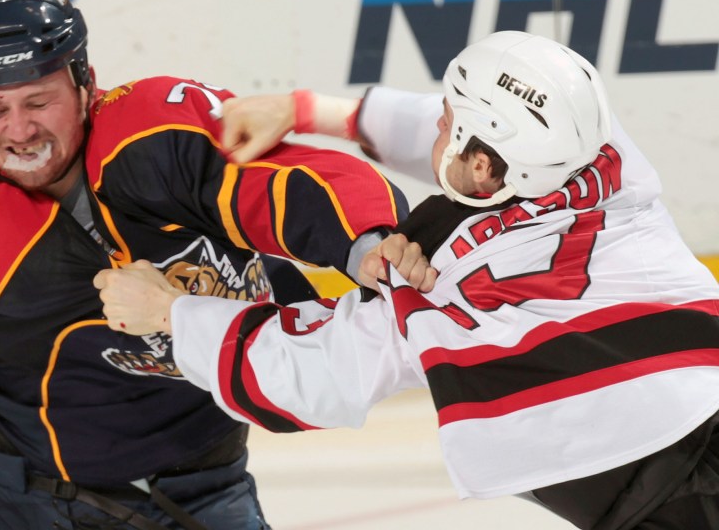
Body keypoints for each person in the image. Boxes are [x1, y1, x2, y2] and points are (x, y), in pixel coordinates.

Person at [0, 0, 409, 530]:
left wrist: (371, 243)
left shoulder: (161, 135)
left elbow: (299, 184)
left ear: (85, 83)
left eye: (38, 100)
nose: (18, 130)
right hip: (9, 504)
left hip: (200, 487)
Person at [94, 31, 719, 529]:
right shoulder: (608, 158)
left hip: (674, 500)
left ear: (480, 162)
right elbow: (477, 139)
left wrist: (172, 315)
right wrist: (308, 111)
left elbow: (313, 376)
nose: (437, 128)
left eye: (450, 121)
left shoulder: (447, 286)